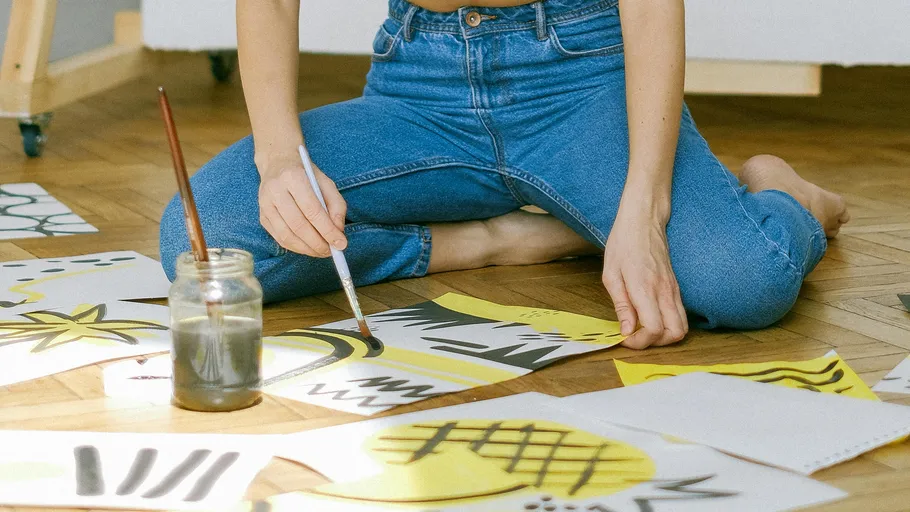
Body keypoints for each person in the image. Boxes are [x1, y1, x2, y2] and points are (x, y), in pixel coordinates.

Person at [159, 0, 851, 350]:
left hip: (583, 74)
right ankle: (503, 238)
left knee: (743, 282)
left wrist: (644, 210)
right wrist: (281, 157)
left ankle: (785, 193)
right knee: (207, 241)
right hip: (420, 83)